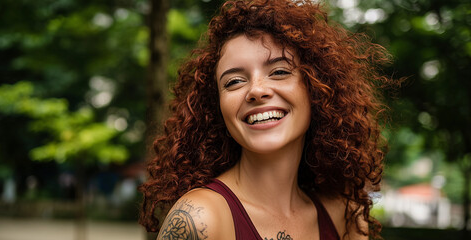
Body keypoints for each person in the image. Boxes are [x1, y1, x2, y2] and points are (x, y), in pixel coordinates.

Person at [140, 0, 392, 239]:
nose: (257, 90)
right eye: (234, 81)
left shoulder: (346, 217)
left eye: (280, 71)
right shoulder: (200, 219)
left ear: (317, 89)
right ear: (216, 107)